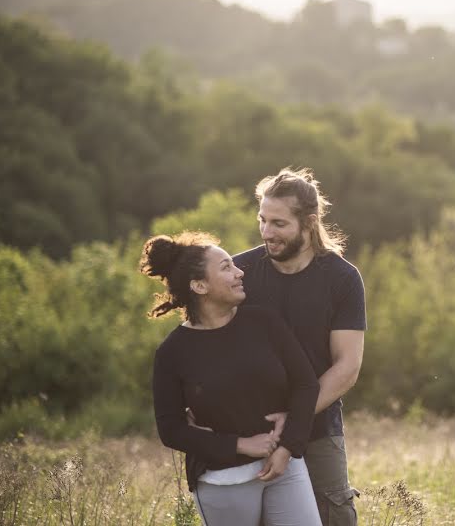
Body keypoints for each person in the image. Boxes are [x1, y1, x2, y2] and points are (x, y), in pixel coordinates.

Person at [141, 230, 322, 526]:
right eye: (226, 267)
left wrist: (288, 446)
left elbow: (306, 384)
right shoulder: (173, 353)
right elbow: (171, 430)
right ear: (199, 285)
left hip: (284, 466)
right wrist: (241, 444)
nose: (240, 272)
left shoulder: (264, 322)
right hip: (222, 481)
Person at [234, 167, 365, 526]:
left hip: (318, 430)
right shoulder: (238, 272)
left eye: (278, 223)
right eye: (262, 220)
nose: (266, 232)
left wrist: (293, 418)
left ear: (308, 223)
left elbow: (347, 366)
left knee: (334, 519)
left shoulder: (342, 278)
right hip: (249, 431)